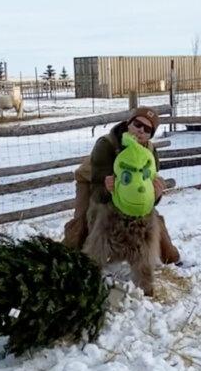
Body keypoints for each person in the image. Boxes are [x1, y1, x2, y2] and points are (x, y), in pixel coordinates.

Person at [63, 106, 180, 263]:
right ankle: (68, 258)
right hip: (92, 180)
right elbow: (98, 191)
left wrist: (155, 195)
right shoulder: (106, 144)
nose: (140, 131)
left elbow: (148, 186)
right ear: (128, 123)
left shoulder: (150, 151)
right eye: (138, 124)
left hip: (127, 188)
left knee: (150, 219)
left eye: (147, 129)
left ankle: (171, 256)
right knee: (84, 221)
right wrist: (106, 188)